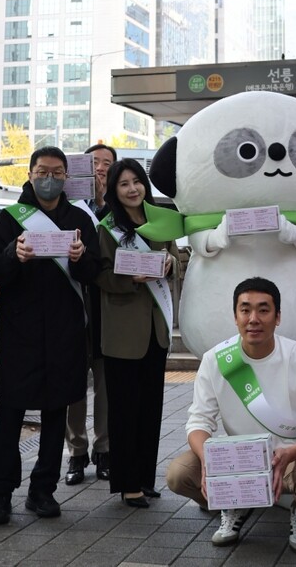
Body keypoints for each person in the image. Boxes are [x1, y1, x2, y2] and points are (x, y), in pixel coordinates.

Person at [165, 277, 296, 554]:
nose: (253, 318)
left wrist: (289, 454)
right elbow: (199, 421)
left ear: (278, 317)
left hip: (292, 455)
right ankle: (233, 502)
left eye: (263, 310)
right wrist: (208, 461)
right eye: (245, 310)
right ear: (235, 316)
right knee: (179, 474)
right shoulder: (216, 359)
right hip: (238, 459)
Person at [0, 146, 101, 525]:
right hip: (21, 334)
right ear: (30, 174)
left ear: (67, 176)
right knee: (10, 417)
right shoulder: (10, 218)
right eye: (41, 171)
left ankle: (42, 490)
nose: (48, 178)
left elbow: (93, 274)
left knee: (55, 415)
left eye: (56, 172)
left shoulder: (78, 218)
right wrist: (12, 256)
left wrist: (82, 257)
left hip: (65, 333)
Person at [95, 159, 178, 508]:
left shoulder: (161, 220)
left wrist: (172, 262)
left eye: (136, 182)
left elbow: (173, 256)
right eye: (123, 184)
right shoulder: (107, 227)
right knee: (124, 411)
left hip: (156, 330)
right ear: (114, 191)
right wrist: (130, 279)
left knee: (150, 409)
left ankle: (145, 478)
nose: (132, 189)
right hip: (122, 332)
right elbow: (99, 274)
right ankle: (127, 483)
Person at [64, 143, 118, 486]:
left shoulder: (118, 210)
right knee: (73, 384)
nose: (100, 169)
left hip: (109, 308)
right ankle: (76, 451)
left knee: (106, 382)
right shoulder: (66, 210)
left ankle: (105, 449)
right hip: (71, 306)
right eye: (94, 162)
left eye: (107, 164)